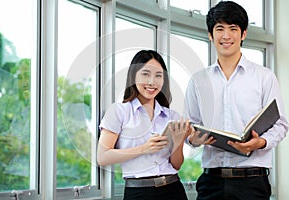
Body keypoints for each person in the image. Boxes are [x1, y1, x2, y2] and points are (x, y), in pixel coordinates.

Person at [183, 1, 289, 200]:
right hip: (211, 182)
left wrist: (260, 142)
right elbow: (191, 125)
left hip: (252, 181)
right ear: (210, 35)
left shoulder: (264, 76)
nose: (226, 35)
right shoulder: (198, 81)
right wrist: (193, 140)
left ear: (243, 34)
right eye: (219, 29)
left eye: (233, 29)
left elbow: (281, 124)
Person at [97, 50, 193, 200]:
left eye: (158, 76)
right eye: (145, 74)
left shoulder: (172, 116)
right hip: (138, 193)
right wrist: (143, 148)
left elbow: (176, 165)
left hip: (173, 190)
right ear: (133, 76)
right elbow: (102, 157)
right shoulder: (119, 111)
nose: (152, 82)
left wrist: (179, 142)